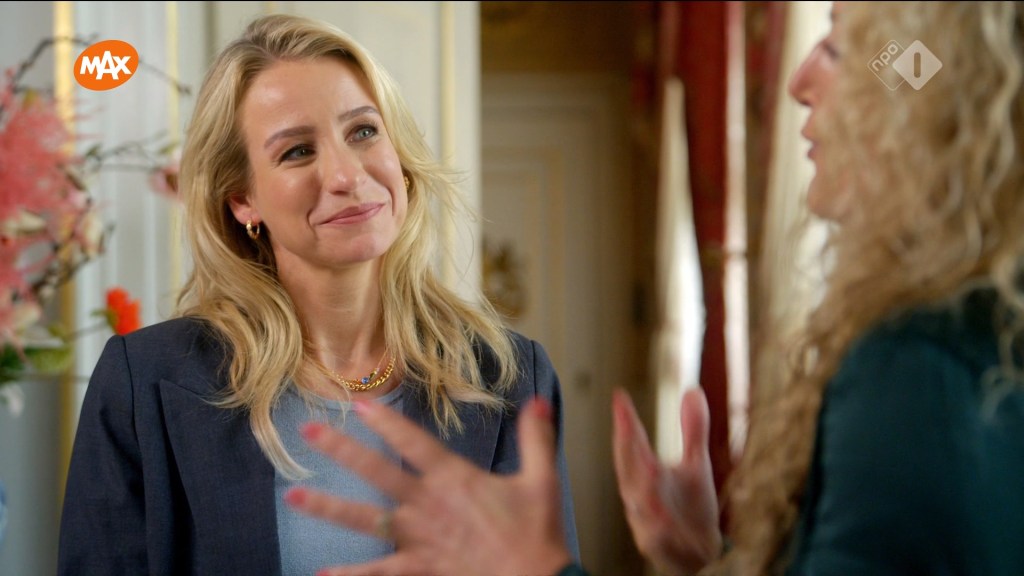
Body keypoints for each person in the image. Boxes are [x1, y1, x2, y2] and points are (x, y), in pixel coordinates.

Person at [285, 2, 1024, 575]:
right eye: (294, 151)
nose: (798, 82)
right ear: (241, 204)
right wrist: (708, 560)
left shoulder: (916, 366)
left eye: (836, 46)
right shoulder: (972, 327)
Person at [56, 13, 579, 576]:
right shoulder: (143, 384)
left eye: (363, 131)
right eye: (297, 151)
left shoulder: (508, 377)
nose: (346, 175)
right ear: (242, 200)